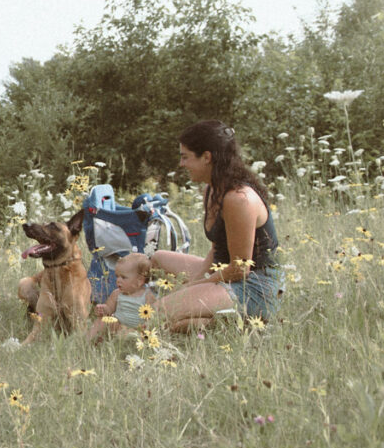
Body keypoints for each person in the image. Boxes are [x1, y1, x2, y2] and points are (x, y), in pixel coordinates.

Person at [151, 120, 283, 332]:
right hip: (223, 271)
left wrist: (192, 288)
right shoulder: (212, 190)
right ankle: (213, 318)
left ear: (207, 157)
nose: (181, 164)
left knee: (159, 314)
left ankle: (240, 321)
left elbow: (240, 269)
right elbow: (218, 249)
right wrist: (194, 282)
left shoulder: (239, 199)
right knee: (156, 259)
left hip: (253, 285)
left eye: (185, 157)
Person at [86, 253, 157, 343]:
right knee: (102, 320)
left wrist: (146, 327)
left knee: (138, 334)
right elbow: (109, 309)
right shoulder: (117, 294)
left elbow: (153, 316)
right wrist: (103, 309)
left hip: (136, 330)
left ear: (139, 281)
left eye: (123, 277)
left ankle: (116, 341)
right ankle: (88, 340)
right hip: (117, 327)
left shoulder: (147, 296)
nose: (118, 280)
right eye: (117, 276)